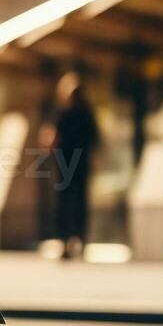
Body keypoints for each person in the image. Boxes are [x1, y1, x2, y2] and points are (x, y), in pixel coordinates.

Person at [46, 73, 99, 260]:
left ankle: (73, 240)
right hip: (69, 165)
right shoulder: (69, 113)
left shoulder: (71, 113)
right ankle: (71, 241)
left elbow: (51, 139)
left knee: (72, 204)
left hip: (71, 165)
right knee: (72, 204)